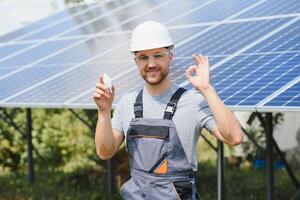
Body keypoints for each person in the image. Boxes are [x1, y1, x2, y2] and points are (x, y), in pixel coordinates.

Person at [93, 21, 244, 199]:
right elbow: (105, 151)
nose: (151, 63)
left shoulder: (192, 101)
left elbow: (234, 137)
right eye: (143, 57)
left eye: (158, 55)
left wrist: (206, 89)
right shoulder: (127, 103)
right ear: (136, 61)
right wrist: (103, 112)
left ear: (170, 56)